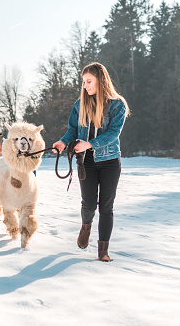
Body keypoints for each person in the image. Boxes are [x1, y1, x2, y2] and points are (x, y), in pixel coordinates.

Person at [53, 62, 130, 262]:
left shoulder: (117, 104)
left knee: (106, 206)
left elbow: (113, 134)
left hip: (110, 161)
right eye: (84, 82)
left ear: (100, 81)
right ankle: (86, 226)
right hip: (86, 162)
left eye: (89, 81)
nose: (85, 86)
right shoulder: (80, 105)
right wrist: (63, 142)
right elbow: (72, 130)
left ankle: (103, 250)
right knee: (88, 204)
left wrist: (90, 144)